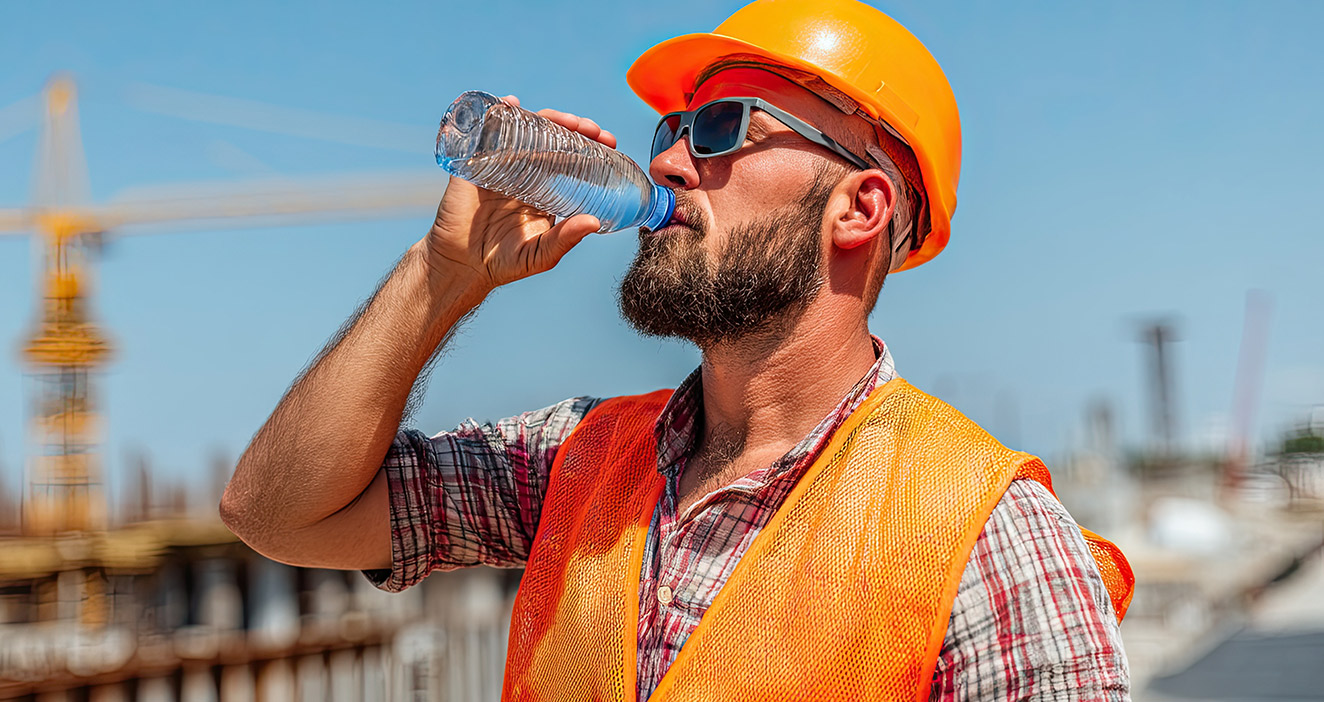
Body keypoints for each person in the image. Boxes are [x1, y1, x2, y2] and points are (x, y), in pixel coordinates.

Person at [220, 0, 1134, 699]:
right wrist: (442, 275)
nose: (665, 163)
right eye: (670, 131)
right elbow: (277, 515)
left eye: (722, 127)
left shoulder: (987, 536)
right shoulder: (572, 464)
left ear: (859, 208)